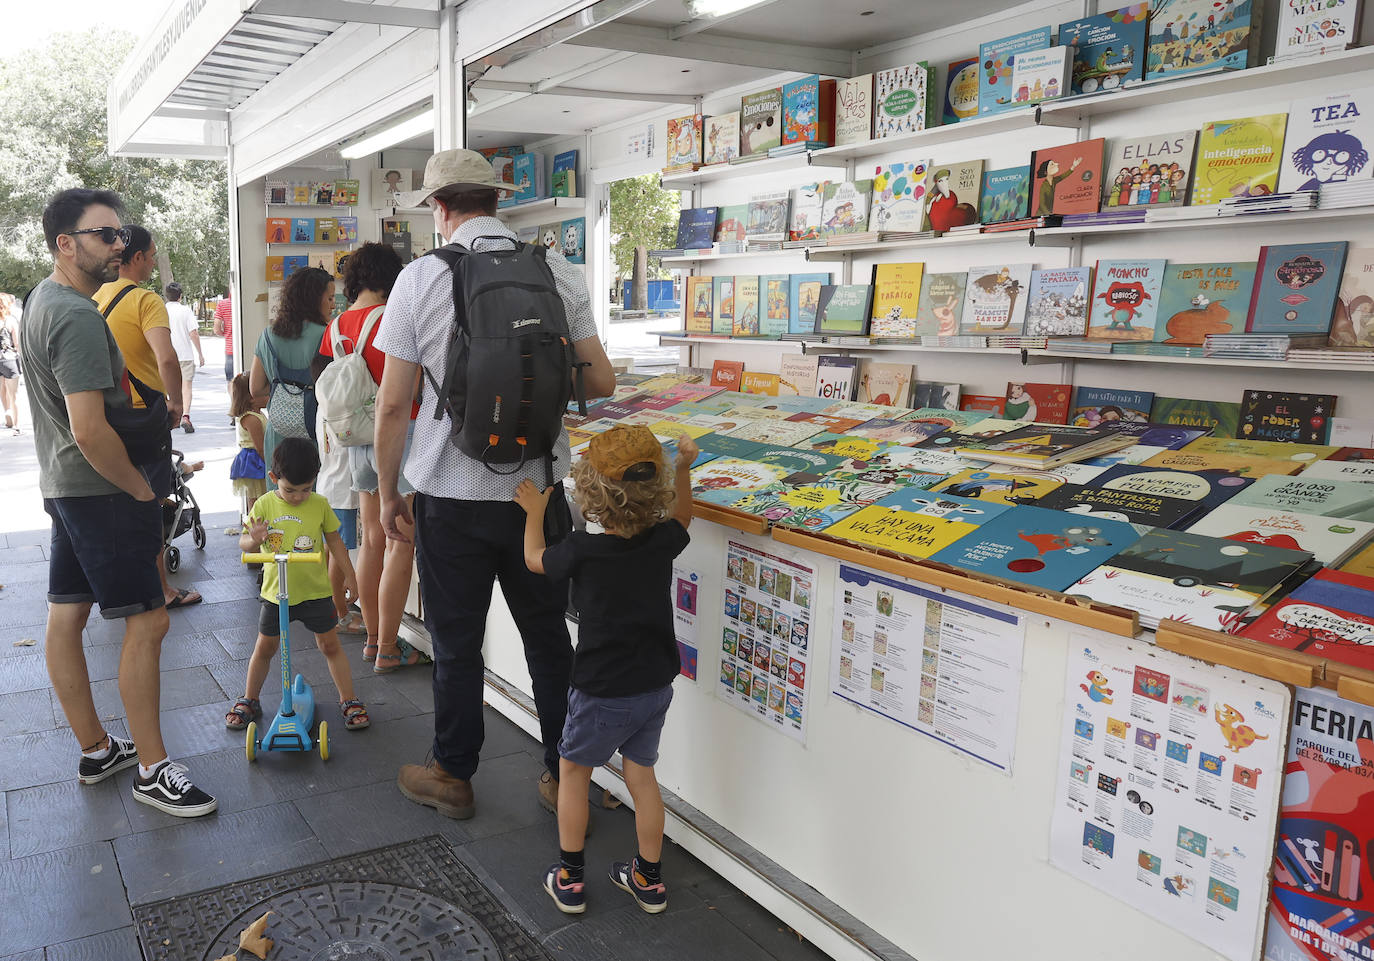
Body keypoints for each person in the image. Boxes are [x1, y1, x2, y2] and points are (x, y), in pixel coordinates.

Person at [371, 148, 615, 821]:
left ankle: (452, 773)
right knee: (547, 637)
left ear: (439, 206)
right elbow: (602, 381)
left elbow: (393, 405)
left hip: (450, 498)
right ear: (497, 199)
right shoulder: (557, 270)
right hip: (537, 495)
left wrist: (389, 492)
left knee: (456, 639)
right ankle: (565, 776)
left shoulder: (420, 278)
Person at [24, 188, 216, 817]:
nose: (116, 244)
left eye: (118, 234)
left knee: (68, 614)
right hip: (103, 488)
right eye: (103, 234)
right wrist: (140, 490)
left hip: (67, 486)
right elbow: (88, 426)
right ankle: (155, 771)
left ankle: (98, 749)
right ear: (65, 242)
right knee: (150, 620)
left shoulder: (41, 300)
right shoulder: (76, 315)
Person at [514, 426, 695, 916]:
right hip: (655, 684)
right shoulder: (661, 541)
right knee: (642, 777)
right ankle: (648, 881)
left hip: (600, 690)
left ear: (591, 490)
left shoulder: (581, 550)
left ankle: (570, 879)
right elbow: (684, 515)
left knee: (573, 772)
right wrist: (685, 466)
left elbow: (533, 560)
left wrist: (533, 514)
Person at [316, 242, 425, 671]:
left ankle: (372, 638)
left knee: (372, 540)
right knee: (403, 541)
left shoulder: (337, 324)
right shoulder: (394, 318)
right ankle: (388, 649)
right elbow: (410, 391)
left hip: (357, 439)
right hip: (402, 435)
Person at [226, 437, 370, 733]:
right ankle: (249, 699)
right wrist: (253, 538)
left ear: (314, 481)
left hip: (315, 592)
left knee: (329, 644)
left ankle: (349, 699)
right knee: (265, 647)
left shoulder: (319, 504)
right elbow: (244, 543)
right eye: (290, 489)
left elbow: (335, 542)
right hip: (275, 594)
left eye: (305, 489)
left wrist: (350, 575)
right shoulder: (264, 504)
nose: (297, 496)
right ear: (274, 478)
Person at [93, 225, 199, 611]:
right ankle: (161, 589)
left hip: (105, 417)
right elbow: (166, 357)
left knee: (117, 500)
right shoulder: (145, 300)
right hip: (143, 420)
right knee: (150, 501)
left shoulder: (95, 296)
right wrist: (175, 403)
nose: (153, 262)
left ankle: (122, 584)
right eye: (151, 255)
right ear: (136, 257)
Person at [250, 266, 333, 468]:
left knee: (279, 493)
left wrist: (288, 392)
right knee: (314, 494)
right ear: (313, 299)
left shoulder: (268, 335)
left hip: (279, 435)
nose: (333, 306)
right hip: (317, 434)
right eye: (330, 298)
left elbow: (256, 388)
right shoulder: (328, 335)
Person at [163, 282, 204, 433]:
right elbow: (193, 333)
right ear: (180, 296)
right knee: (186, 386)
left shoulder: (161, 310)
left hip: (166, 354)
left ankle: (168, 416)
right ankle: (185, 416)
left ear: (167, 296)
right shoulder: (185, 311)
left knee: (166, 387)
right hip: (185, 355)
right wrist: (200, 354)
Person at [228, 372, 267, 520]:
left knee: (258, 497)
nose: (269, 397)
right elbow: (260, 447)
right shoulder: (252, 418)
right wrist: (271, 463)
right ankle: (254, 530)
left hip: (255, 458)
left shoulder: (257, 413)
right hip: (255, 461)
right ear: (251, 398)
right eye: (265, 394)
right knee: (257, 498)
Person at [0, 292, 22, 433]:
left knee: (2, 391)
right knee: (14, 394)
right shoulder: (10, 320)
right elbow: (17, 343)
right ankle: (16, 423)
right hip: (9, 360)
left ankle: (7, 415)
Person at [214, 286, 233, 384]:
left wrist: (226, 334)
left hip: (230, 350)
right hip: (250, 348)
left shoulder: (223, 304)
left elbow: (216, 329)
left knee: (231, 382)